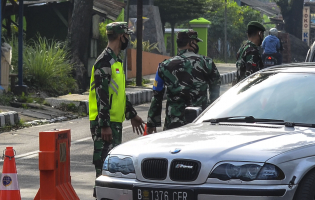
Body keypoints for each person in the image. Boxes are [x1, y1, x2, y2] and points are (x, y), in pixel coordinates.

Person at [89, 22, 145, 178]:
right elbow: (102, 95)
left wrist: (132, 115)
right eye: (127, 36)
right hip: (104, 125)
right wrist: (104, 125)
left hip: (114, 123)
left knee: (113, 169)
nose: (128, 39)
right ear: (121, 37)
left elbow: (119, 94)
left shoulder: (116, 61)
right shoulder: (104, 61)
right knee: (104, 170)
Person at [147, 30, 221, 133]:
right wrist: (214, 117)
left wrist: (151, 123)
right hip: (200, 122)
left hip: (173, 124)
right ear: (191, 43)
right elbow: (215, 90)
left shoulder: (165, 65)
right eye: (195, 42)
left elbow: (157, 95)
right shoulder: (207, 63)